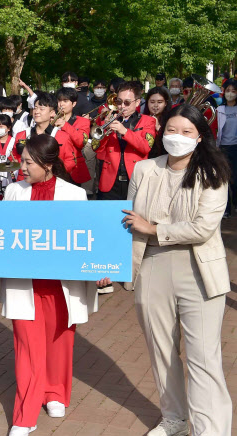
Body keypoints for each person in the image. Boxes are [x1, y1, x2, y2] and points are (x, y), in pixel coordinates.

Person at [102, 105, 232, 436]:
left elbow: (203, 229)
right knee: (162, 351)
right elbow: (127, 222)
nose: (177, 137)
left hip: (198, 271)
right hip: (153, 267)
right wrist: (112, 265)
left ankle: (210, 429)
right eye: (171, 130)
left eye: (187, 132)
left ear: (200, 137)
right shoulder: (145, 169)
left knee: (203, 357)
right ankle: (174, 418)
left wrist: (154, 229)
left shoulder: (213, 173)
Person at [0, 134, 98, 436]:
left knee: (59, 342)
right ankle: (25, 415)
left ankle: (54, 392)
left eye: (28, 162)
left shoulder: (74, 195)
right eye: (22, 160)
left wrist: (102, 266)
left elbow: (87, 239)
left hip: (61, 284)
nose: (22, 167)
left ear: (48, 163)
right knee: (26, 348)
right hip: (22, 282)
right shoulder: (14, 191)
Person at [94, 81, 156, 201]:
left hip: (135, 178)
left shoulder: (148, 121)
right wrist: (105, 128)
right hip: (110, 180)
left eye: (127, 102)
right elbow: (96, 148)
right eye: (119, 102)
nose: (122, 106)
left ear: (137, 102)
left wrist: (125, 132)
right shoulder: (110, 119)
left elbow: (146, 147)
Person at [14, 92, 87, 185]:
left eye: (42, 109)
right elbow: (14, 157)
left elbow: (70, 161)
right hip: (26, 183)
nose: (37, 111)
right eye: (35, 108)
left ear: (52, 113)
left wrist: (55, 172)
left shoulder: (63, 136)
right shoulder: (21, 135)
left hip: (53, 183)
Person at [54, 87, 92, 186]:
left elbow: (81, 142)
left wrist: (65, 125)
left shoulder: (82, 121)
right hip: (54, 168)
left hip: (73, 170)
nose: (61, 104)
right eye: (59, 101)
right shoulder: (52, 121)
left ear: (74, 104)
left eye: (65, 101)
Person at [217, 78, 237, 216]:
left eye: (233, 91)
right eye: (228, 90)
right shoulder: (219, 109)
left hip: (235, 147)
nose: (230, 93)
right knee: (224, 179)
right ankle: (226, 209)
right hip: (222, 147)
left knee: (235, 178)